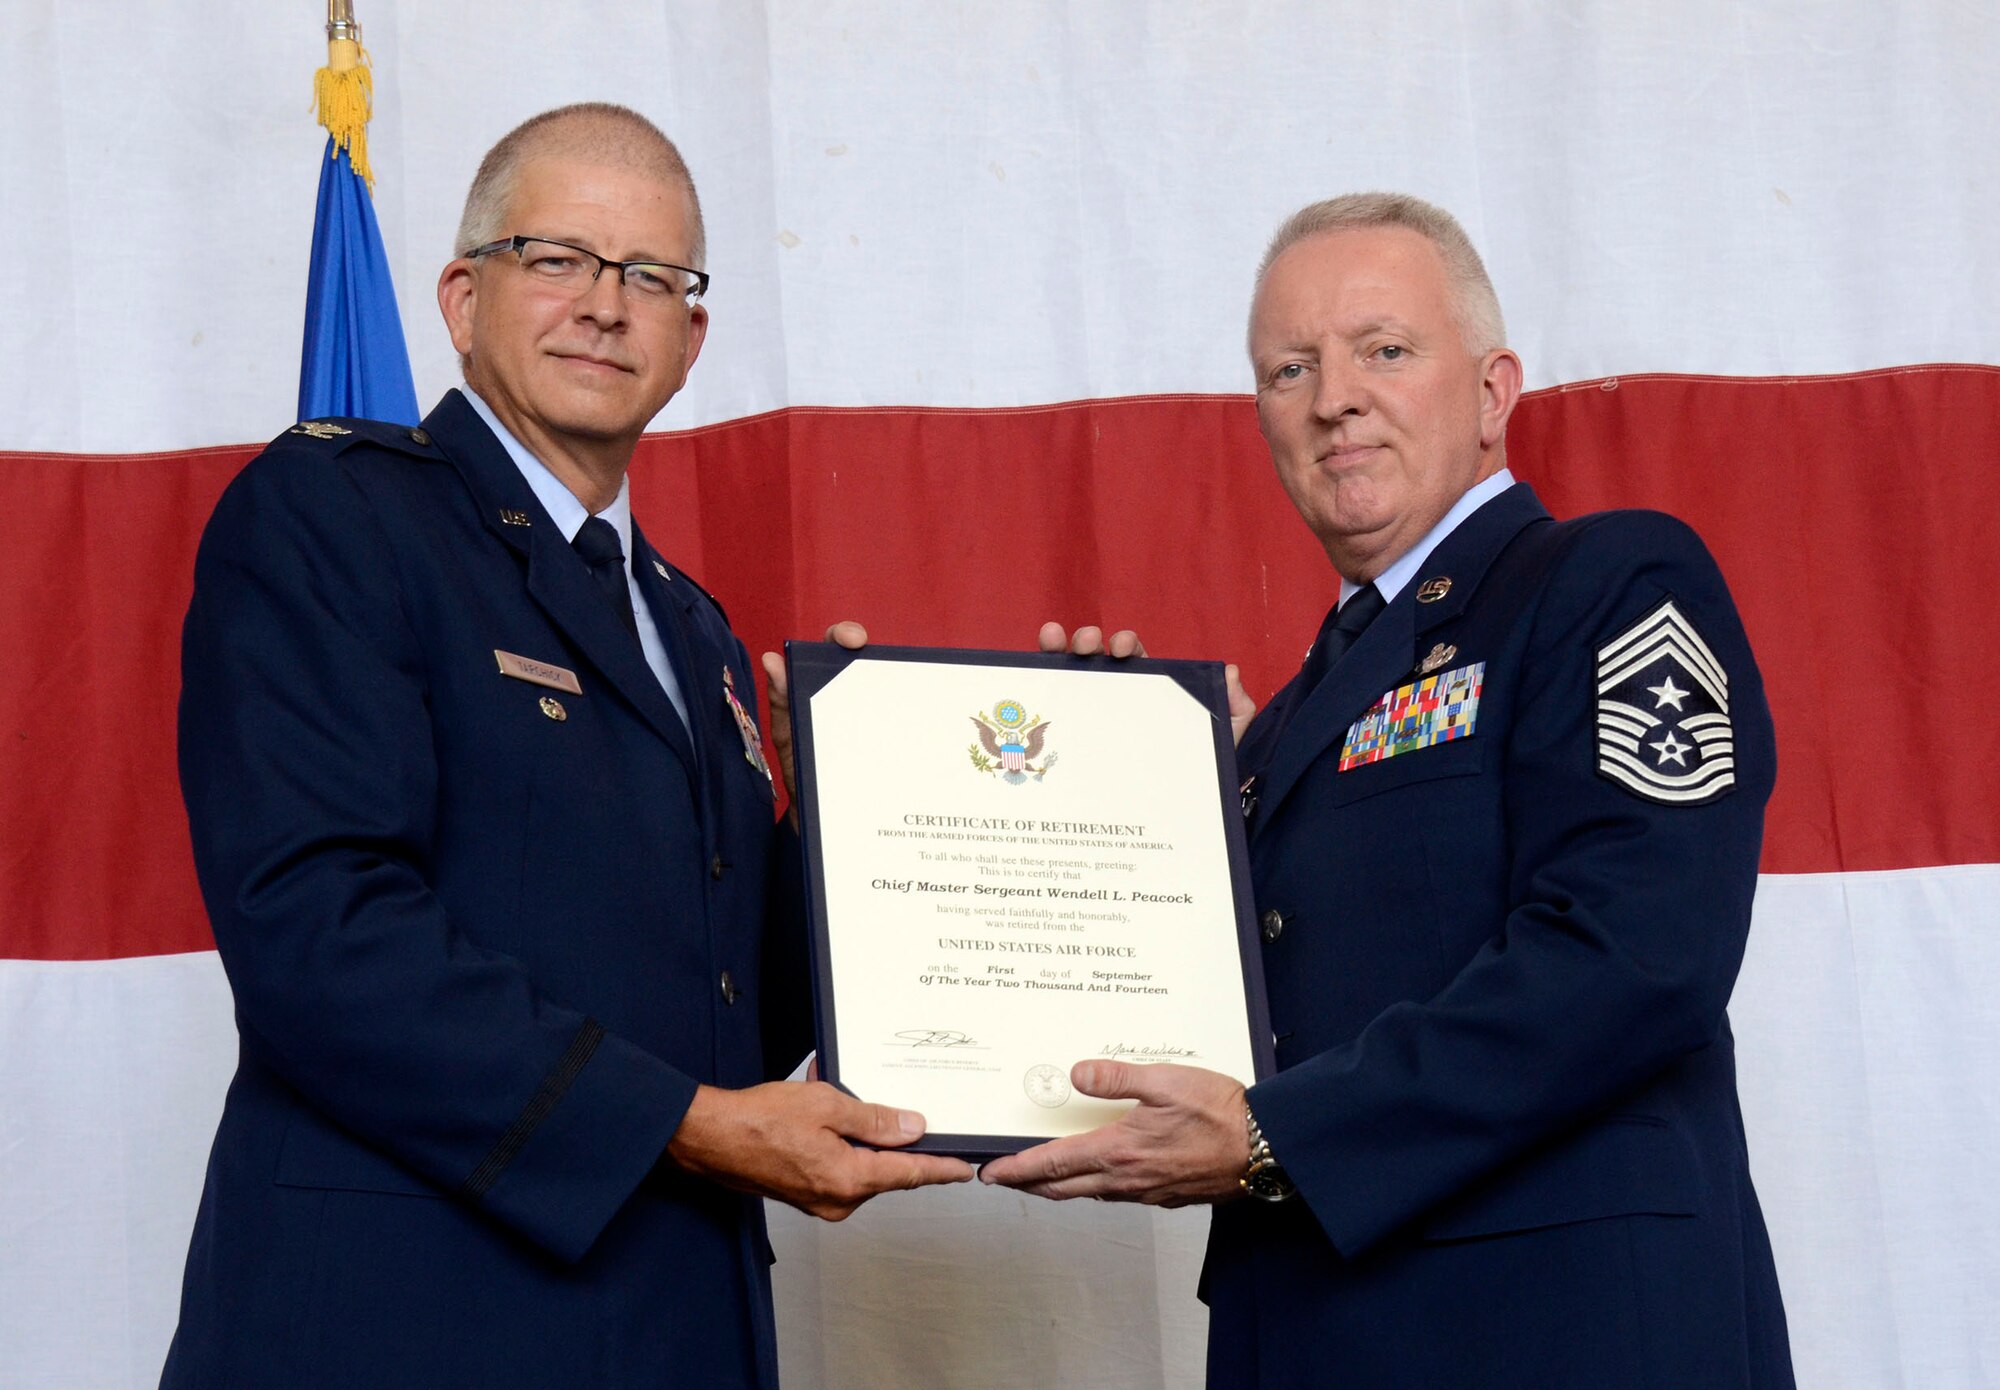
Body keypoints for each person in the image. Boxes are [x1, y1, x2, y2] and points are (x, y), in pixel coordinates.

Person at [162, 103, 970, 1390]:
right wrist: (694, 1128)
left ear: (690, 339)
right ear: (462, 295)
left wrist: (863, 812)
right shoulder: (333, 513)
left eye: (650, 276)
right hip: (400, 1325)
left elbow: (721, 1019)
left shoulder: (692, 631)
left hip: (670, 1324)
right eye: (557, 258)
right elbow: (317, 928)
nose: (604, 304)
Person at [985, 193, 1796, 1388]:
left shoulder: (1607, 582)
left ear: (1492, 388)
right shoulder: (1287, 718)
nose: (1332, 398)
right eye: (1287, 369)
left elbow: (1636, 954)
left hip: (1556, 1331)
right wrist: (1107, 778)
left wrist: (1272, 1139)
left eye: (1383, 349)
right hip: (1305, 1321)